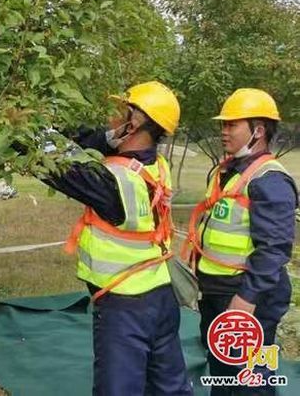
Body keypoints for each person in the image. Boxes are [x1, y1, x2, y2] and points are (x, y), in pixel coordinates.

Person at [19, 81, 191, 395]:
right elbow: (92, 141)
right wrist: (108, 137)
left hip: (125, 305)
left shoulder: (113, 182)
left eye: (122, 109)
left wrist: (15, 124)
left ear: (134, 122)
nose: (111, 116)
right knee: (170, 387)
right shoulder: (155, 166)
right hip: (161, 295)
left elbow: (50, 162)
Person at [184, 88, 298, 394]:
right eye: (223, 124)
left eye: (232, 124)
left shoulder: (270, 180)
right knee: (222, 373)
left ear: (258, 130)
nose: (224, 131)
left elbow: (274, 249)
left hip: (248, 298)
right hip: (218, 293)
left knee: (251, 380)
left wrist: (246, 300)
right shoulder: (226, 171)